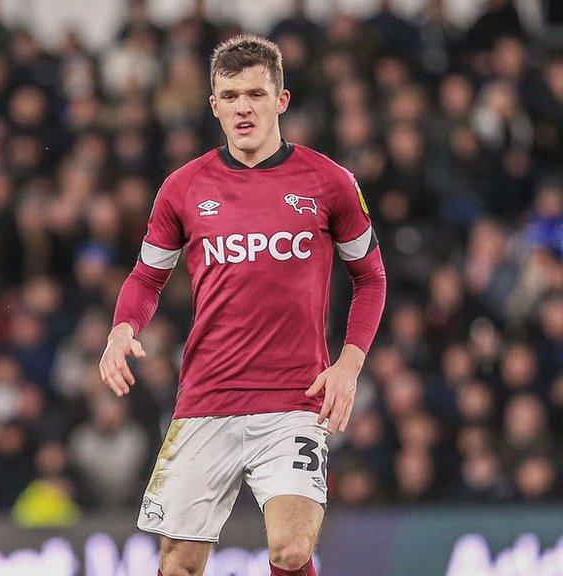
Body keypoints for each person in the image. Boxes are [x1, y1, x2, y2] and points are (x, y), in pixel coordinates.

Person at [99, 35, 386, 576]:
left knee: (291, 550)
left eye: (255, 94)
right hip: (207, 397)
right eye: (230, 96)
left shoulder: (330, 183)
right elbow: (145, 277)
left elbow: (370, 277)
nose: (243, 108)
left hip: (295, 399)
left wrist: (349, 364)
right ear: (213, 105)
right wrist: (121, 329)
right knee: (179, 563)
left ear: (281, 99)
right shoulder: (182, 189)